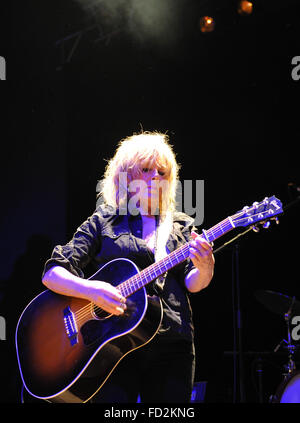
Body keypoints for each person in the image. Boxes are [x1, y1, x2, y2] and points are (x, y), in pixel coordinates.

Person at [42, 131, 215, 403]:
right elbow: (53, 273)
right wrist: (91, 291)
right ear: (126, 175)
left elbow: (192, 283)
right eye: (146, 169)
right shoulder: (104, 221)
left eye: (162, 172)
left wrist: (205, 268)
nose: (155, 177)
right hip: (112, 345)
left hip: (172, 343)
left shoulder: (180, 225)